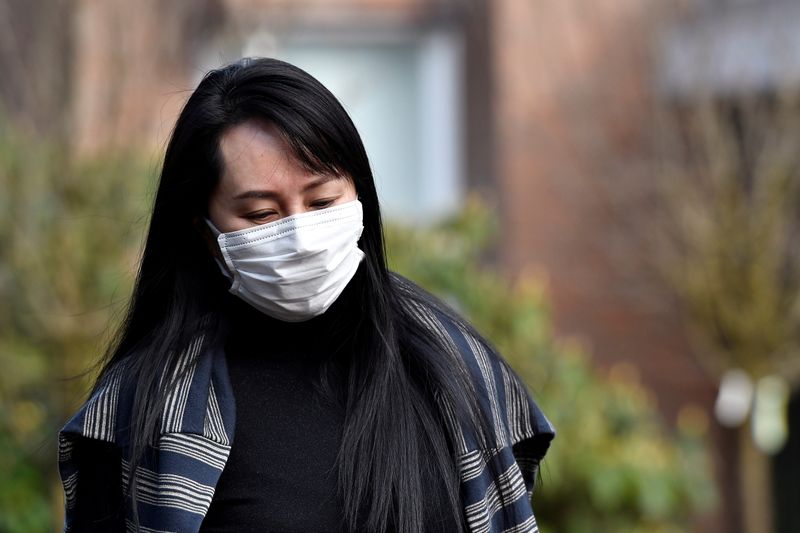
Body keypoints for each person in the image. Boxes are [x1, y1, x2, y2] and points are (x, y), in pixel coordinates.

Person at [58, 57, 555, 533]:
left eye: (321, 201)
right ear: (205, 233)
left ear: (359, 196)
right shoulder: (144, 409)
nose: (301, 234)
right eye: (261, 215)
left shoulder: (453, 366)